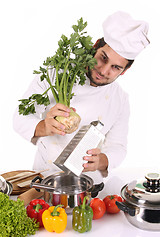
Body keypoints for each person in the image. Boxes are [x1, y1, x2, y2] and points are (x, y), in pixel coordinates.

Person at [13, 11, 150, 182]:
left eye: (116, 67)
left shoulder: (120, 99)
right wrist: (44, 126)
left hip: (88, 185)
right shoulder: (55, 72)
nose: (103, 70)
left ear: (125, 71)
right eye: (103, 58)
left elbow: (118, 147)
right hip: (45, 178)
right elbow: (20, 117)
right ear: (94, 47)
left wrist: (102, 161)